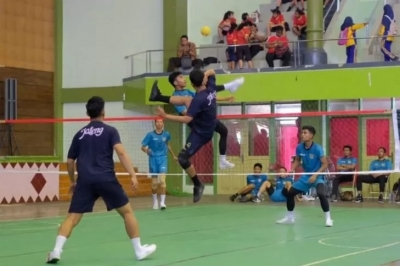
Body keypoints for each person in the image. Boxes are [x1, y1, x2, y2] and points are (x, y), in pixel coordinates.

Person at [46, 96, 156, 264]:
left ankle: (56, 250)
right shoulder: (110, 131)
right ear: (103, 111)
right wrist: (133, 175)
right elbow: (121, 152)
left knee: (72, 218)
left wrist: (73, 181)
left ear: (87, 113)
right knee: (127, 213)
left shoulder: (79, 134)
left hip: (84, 181)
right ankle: (139, 250)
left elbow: (70, 161)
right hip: (105, 178)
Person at [150, 69, 242, 202]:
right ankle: (222, 160)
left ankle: (198, 184)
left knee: (182, 158)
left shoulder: (198, 98)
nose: (183, 78)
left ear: (193, 85)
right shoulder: (209, 88)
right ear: (204, 81)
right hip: (208, 120)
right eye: (181, 77)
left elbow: (187, 118)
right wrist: (206, 77)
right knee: (222, 129)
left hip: (201, 130)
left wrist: (165, 116)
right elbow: (211, 72)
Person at [167, 71, 244, 169]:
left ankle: (223, 160)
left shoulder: (187, 92)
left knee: (224, 131)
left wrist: (225, 98)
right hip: (199, 124)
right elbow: (185, 114)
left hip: (205, 118)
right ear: (175, 83)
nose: (184, 78)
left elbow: (207, 98)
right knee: (189, 152)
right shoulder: (176, 97)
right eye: (181, 77)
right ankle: (230, 86)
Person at [276, 125, 333, 227]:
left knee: (321, 194)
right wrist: (292, 169)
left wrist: (315, 175)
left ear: (311, 135)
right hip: (306, 176)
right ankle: (290, 218)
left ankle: (328, 219)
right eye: (302, 133)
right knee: (290, 194)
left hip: (318, 176)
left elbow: (325, 164)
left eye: (305, 133)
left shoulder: (318, 149)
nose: (303, 134)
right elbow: (297, 160)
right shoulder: (299, 147)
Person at [141, 119, 177, 210]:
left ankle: (162, 203)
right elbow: (143, 147)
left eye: (161, 122)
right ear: (155, 123)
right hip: (153, 159)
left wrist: (173, 155)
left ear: (163, 124)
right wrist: (147, 151)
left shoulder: (167, 134)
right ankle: (155, 202)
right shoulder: (150, 135)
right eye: (157, 122)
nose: (159, 124)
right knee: (154, 183)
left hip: (163, 158)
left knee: (162, 180)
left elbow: (168, 145)